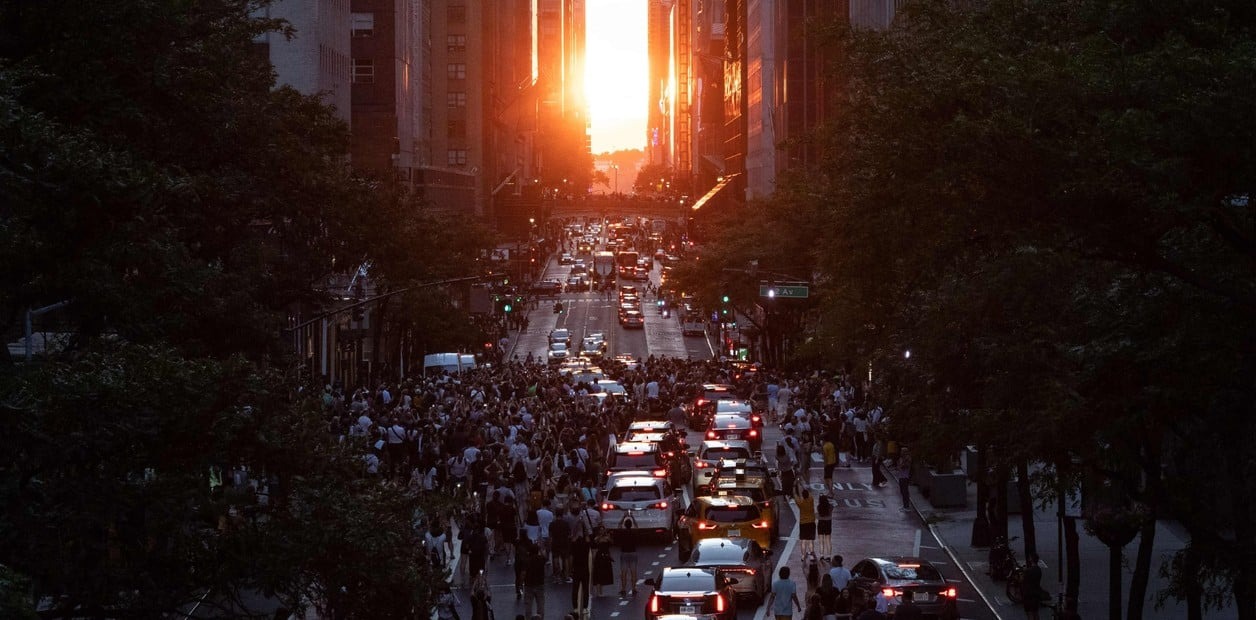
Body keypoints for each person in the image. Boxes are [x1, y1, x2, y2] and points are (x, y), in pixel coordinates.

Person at [522, 540, 547, 619]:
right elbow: (545, 557)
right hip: (540, 584)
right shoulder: (541, 559)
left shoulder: (526, 560)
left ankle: (528, 618)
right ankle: (540, 618)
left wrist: (520, 583)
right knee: (540, 604)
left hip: (529, 585)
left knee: (528, 605)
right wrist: (540, 549)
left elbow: (523, 573)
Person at [618, 518, 640, 596]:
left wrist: (623, 517)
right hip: (633, 552)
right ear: (631, 525)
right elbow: (637, 526)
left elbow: (619, 526)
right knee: (633, 572)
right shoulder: (633, 532)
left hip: (624, 553)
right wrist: (633, 518)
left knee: (624, 572)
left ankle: (623, 589)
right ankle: (634, 588)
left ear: (625, 525)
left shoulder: (623, 532)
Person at [592, 526, 614, 596]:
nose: (602, 531)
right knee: (598, 574)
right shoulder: (597, 538)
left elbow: (612, 542)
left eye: (603, 530)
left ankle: (601, 592)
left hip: (606, 556)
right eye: (600, 530)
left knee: (603, 574)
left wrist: (608, 536)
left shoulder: (607, 537)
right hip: (599, 557)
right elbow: (595, 542)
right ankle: (598, 592)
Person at [1022, 551, 1045, 620]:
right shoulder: (1038, 570)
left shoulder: (1028, 571)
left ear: (1031, 559)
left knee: (1029, 613)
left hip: (1028, 594)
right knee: (1035, 612)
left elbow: (1022, 580)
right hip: (1036, 593)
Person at [796, 488, 816, 557]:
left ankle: (803, 555)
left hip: (803, 523)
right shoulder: (811, 500)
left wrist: (794, 487)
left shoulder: (800, 503)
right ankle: (812, 553)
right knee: (810, 540)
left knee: (803, 540)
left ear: (802, 496)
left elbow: (795, 495)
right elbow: (809, 493)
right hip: (811, 522)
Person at [817, 495, 834, 559]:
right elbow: (833, 504)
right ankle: (829, 556)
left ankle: (821, 555)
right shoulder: (831, 507)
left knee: (821, 541)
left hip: (821, 523)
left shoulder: (818, 507)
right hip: (828, 523)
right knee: (828, 541)